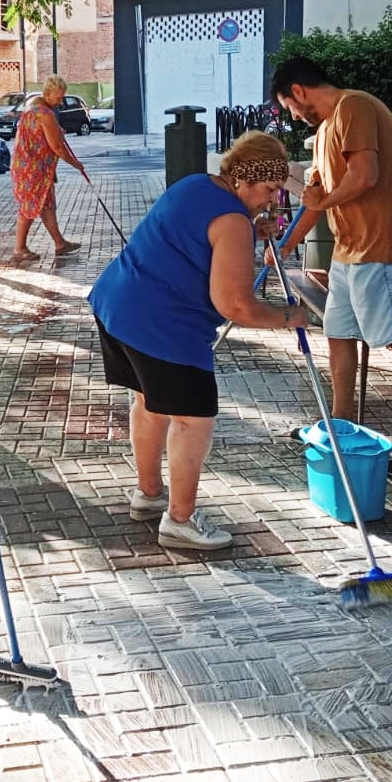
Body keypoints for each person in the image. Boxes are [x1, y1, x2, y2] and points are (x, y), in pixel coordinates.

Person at [87, 132, 308, 551]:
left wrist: (250, 229)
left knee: (149, 403)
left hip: (118, 303)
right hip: (163, 324)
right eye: (268, 189)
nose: (272, 199)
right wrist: (287, 315)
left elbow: (199, 237)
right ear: (244, 179)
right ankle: (180, 521)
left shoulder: (195, 185)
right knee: (193, 419)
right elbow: (236, 306)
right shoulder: (232, 223)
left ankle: (148, 495)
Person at [270, 56, 392, 480]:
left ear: (299, 91)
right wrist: (286, 243)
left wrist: (323, 204)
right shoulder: (326, 129)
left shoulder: (355, 108)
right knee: (339, 335)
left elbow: (365, 175)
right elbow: (316, 196)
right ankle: (338, 424)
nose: (292, 116)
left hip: (381, 247)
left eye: (288, 106)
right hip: (350, 251)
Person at [10, 74, 87, 265]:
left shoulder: (33, 107)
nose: (60, 102)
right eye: (58, 97)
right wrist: (75, 163)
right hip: (33, 169)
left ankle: (60, 243)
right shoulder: (44, 113)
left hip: (30, 166)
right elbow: (57, 147)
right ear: (47, 93)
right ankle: (19, 248)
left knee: (46, 206)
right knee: (29, 207)